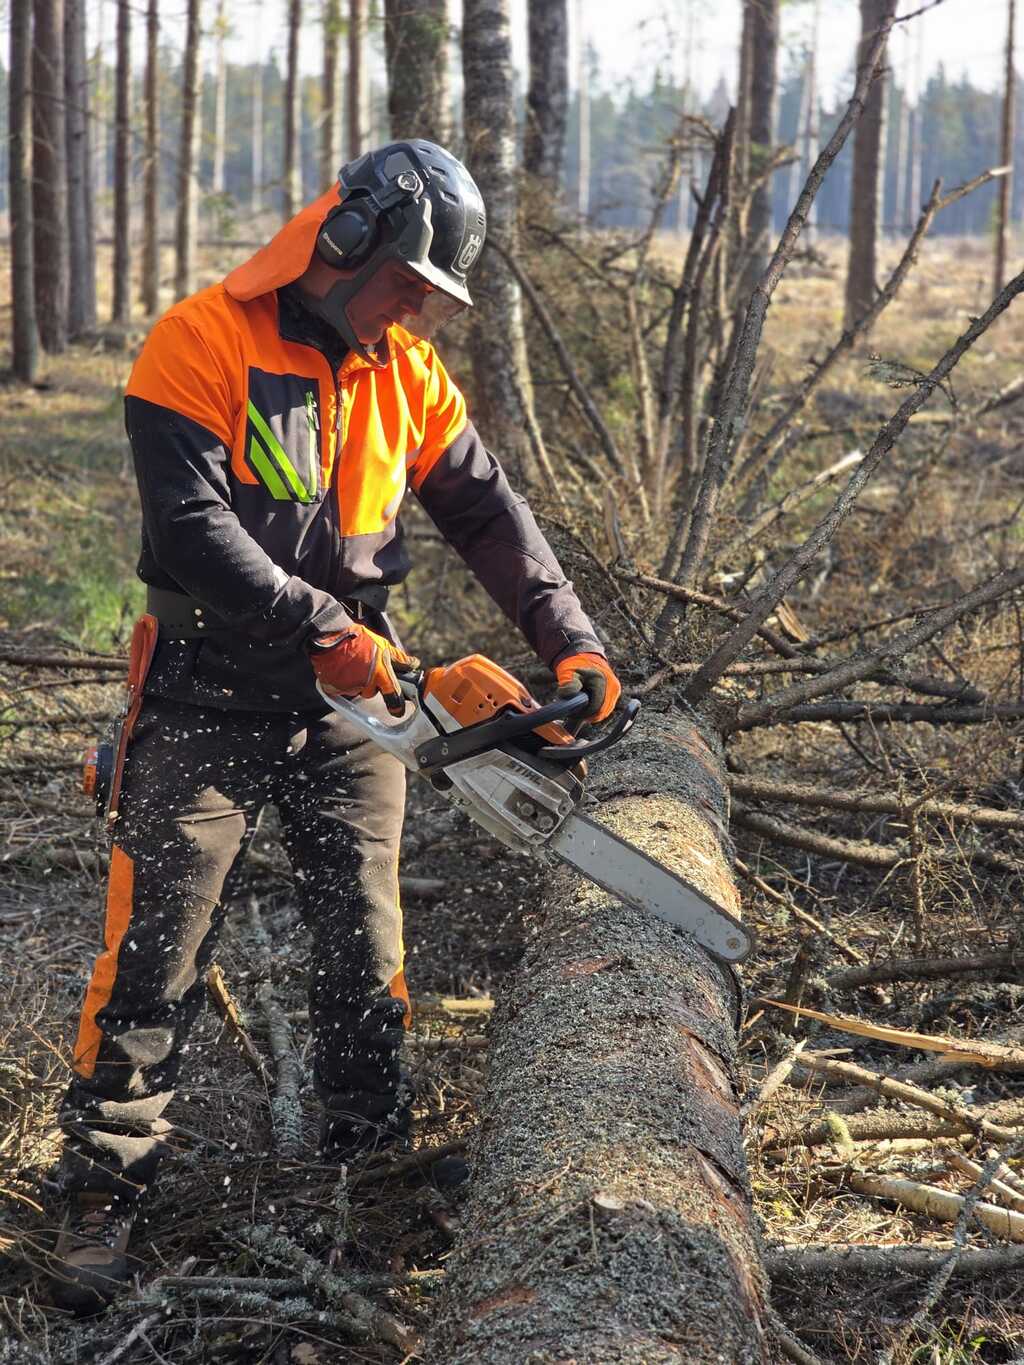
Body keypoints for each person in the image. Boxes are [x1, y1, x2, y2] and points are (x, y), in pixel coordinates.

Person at [47, 139, 621, 1314]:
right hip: (207, 685)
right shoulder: (197, 341)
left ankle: (366, 1169)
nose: (418, 308)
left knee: (365, 948)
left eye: (431, 293)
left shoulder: (402, 372)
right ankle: (103, 1187)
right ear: (344, 241)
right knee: (152, 949)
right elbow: (195, 530)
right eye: (408, 280)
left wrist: (572, 640)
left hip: (351, 700)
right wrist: (320, 623)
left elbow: (482, 507)